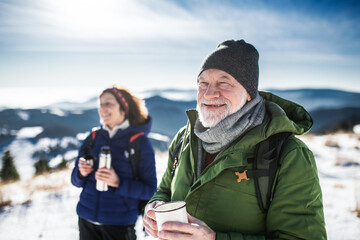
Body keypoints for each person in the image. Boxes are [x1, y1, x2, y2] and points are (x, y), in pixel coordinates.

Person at [143, 40, 327, 239]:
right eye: (203, 83)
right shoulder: (184, 138)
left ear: (248, 93)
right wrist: (155, 207)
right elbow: (164, 190)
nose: (209, 94)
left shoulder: (288, 154)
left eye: (223, 82)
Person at [71, 85, 157, 240]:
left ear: (123, 109)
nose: (103, 108)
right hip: (86, 220)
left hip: (119, 225)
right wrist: (81, 173)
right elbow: (75, 181)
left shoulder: (139, 143)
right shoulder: (92, 138)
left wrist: (118, 182)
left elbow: (149, 190)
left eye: (108, 103)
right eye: (101, 104)